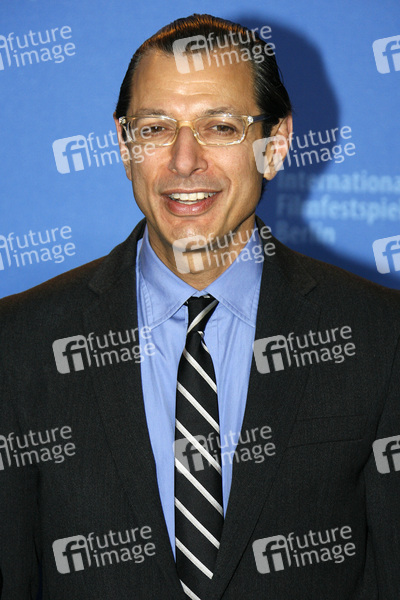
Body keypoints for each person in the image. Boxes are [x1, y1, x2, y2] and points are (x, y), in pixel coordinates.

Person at [1, 13, 400, 600]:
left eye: (220, 127)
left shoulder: (380, 337)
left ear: (275, 145)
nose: (184, 161)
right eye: (156, 128)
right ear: (124, 145)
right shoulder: (20, 343)